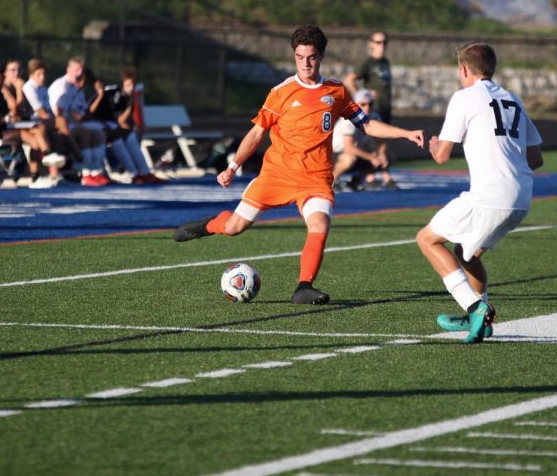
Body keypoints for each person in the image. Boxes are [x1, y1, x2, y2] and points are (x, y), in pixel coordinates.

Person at [174, 24, 424, 304]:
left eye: (312, 57)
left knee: (319, 224)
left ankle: (303, 287)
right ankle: (208, 226)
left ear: (322, 56)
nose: (305, 63)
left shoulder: (337, 91)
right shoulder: (281, 92)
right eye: (300, 57)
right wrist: (233, 167)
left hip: (315, 179)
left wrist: (404, 133)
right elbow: (257, 132)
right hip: (276, 174)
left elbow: (366, 125)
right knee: (234, 227)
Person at [415, 43, 543, 343]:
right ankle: (481, 315)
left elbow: (442, 155)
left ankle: (475, 306)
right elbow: (536, 159)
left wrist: (433, 146)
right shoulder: (513, 99)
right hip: (522, 197)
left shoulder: (464, 97)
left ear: (463, 69)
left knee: (427, 239)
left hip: (490, 195)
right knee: (465, 252)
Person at [0, 61, 64, 188]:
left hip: (8, 129)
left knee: (37, 133)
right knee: (32, 133)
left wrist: (7, 91)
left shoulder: (0, 91)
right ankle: (47, 157)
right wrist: (4, 120)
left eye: (0, 73)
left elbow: (13, 109)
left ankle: (36, 175)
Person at [83, 67, 161, 185]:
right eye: (128, 84)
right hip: (94, 123)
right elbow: (89, 111)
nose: (131, 87)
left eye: (133, 84)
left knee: (128, 136)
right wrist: (100, 95)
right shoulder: (111, 91)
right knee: (119, 137)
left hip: (109, 124)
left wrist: (131, 105)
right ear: (123, 83)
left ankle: (143, 174)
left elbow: (120, 120)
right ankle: (132, 174)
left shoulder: (130, 97)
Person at [47, 57, 110, 187]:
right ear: (68, 69)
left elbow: (80, 113)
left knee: (99, 133)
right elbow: (58, 115)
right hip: (60, 126)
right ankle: (86, 173)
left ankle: (96, 172)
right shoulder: (60, 87)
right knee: (87, 133)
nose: (79, 73)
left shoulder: (74, 88)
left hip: (73, 124)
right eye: (76, 70)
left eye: (81, 70)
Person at [332, 88, 396, 191]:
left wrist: (381, 153)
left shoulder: (374, 116)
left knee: (386, 156)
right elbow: (349, 148)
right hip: (334, 154)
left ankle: (356, 180)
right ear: (356, 104)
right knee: (349, 158)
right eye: (363, 104)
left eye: (370, 104)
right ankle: (332, 181)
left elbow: (382, 138)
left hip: (353, 153)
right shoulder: (349, 118)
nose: (367, 108)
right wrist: (371, 157)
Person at [344, 30, 393, 124]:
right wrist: (361, 95)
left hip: (385, 107)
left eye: (384, 42)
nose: (382, 45)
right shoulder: (367, 62)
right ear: (372, 44)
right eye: (378, 42)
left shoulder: (385, 61)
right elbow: (349, 79)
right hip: (374, 108)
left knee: (386, 135)